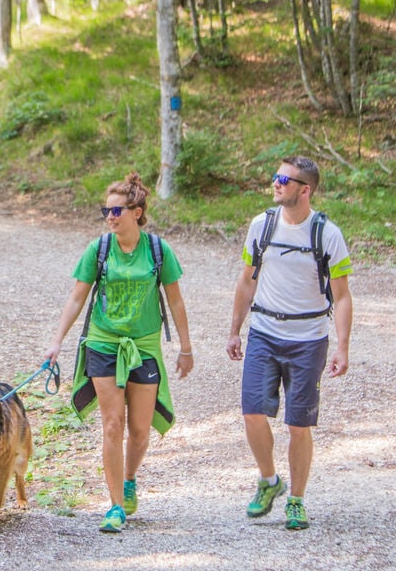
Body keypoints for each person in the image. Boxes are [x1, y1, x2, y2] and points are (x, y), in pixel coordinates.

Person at [42, 172, 194, 533]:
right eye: (106, 211)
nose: (110, 217)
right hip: (103, 342)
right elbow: (77, 296)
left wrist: (186, 348)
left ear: (137, 212)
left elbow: (175, 300)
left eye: (116, 211)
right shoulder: (100, 249)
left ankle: (128, 479)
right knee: (113, 425)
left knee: (140, 430)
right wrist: (56, 340)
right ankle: (114, 506)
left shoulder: (159, 250)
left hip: (143, 346)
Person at [226, 155, 354, 531]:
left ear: (305, 189)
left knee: (299, 423)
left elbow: (342, 296)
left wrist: (342, 347)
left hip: (308, 339)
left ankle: (296, 499)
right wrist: (235, 329)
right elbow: (247, 280)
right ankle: (269, 481)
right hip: (264, 332)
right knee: (252, 412)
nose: (276, 183)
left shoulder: (327, 234)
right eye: (275, 177)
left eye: (285, 179)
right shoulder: (261, 226)